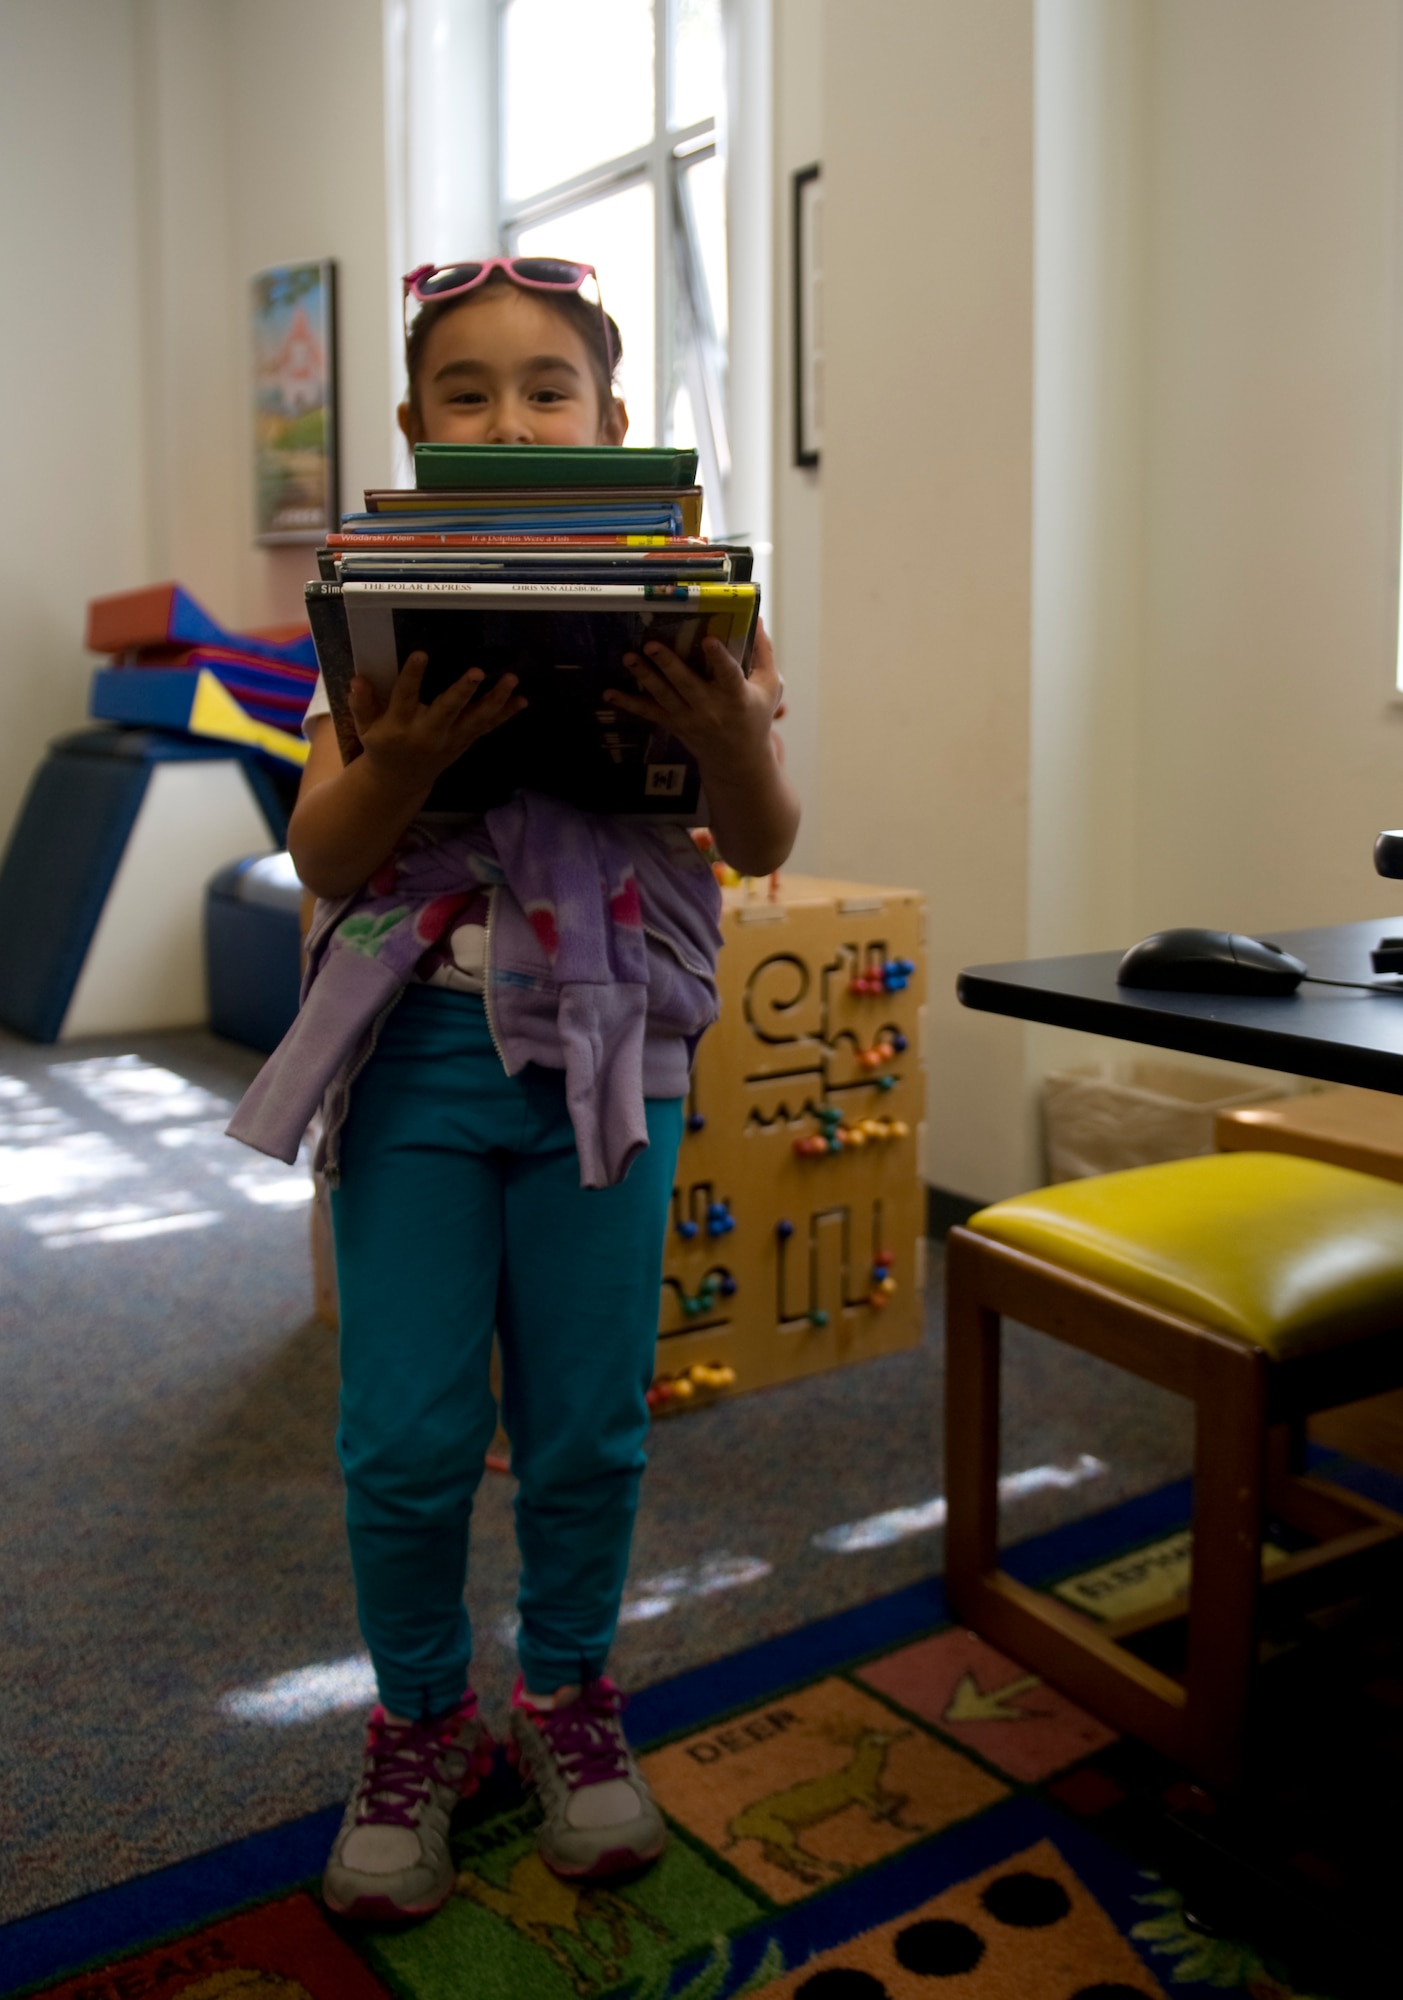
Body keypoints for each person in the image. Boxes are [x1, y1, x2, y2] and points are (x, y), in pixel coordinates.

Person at [234, 259, 799, 1922]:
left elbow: (762, 844)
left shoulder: (706, 596)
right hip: (414, 1050)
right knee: (403, 1435)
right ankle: (420, 1718)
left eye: (547, 386)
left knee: (586, 1422)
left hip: (618, 1052)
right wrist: (398, 761)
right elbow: (317, 850)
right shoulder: (367, 596)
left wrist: (734, 736)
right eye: (467, 393)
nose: (512, 415)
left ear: (614, 423)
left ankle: (567, 1694)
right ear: (416, 432)